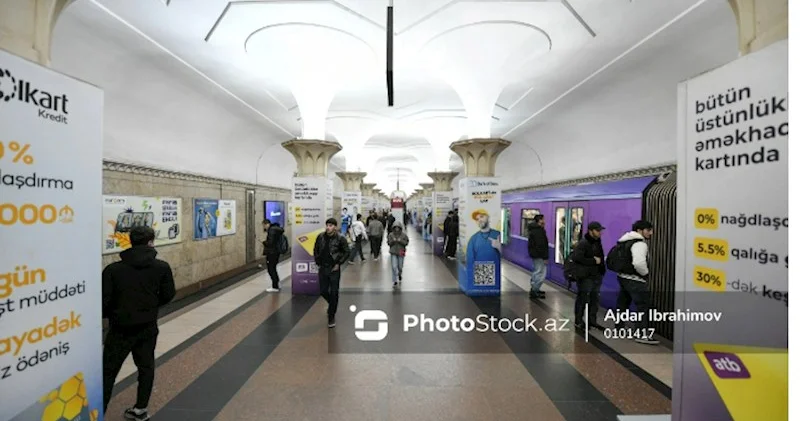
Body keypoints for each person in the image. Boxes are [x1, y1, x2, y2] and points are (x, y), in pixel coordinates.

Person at [102, 226, 176, 420]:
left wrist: (116, 314)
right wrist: (151, 307)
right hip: (147, 327)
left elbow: (103, 302)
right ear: (151, 242)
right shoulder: (161, 267)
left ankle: (97, 412)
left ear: (131, 241)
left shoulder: (113, 270)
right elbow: (169, 295)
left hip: (119, 329)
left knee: (108, 372)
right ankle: (140, 409)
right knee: (146, 368)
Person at [614, 220, 659, 345]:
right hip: (635, 279)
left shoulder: (624, 240)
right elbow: (638, 263)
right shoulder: (639, 244)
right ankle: (641, 334)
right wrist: (645, 273)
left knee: (623, 303)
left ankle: (619, 327)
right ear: (640, 230)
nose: (651, 233)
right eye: (648, 230)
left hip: (623, 277)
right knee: (643, 305)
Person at [313, 218, 350, 328]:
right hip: (323, 268)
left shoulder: (340, 238)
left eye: (330, 225)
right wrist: (317, 261)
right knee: (323, 291)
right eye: (327, 225)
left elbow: (347, 251)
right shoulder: (320, 237)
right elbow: (316, 249)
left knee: (334, 292)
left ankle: (331, 315)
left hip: (334, 269)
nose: (328, 227)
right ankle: (332, 304)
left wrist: (339, 263)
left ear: (335, 227)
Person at [570, 221, 606, 331]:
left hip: (596, 275)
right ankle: (579, 320)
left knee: (594, 299)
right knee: (583, 298)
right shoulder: (583, 243)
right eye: (597, 230)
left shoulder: (597, 242)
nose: (600, 233)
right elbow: (577, 258)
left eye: (600, 230)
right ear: (591, 231)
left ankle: (592, 321)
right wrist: (593, 261)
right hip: (586, 276)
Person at [527, 214, 549, 300]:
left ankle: (535, 289)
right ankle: (534, 291)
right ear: (539, 221)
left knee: (538, 271)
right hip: (539, 255)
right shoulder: (538, 231)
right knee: (540, 272)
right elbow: (541, 245)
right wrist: (545, 257)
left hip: (536, 254)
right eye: (543, 219)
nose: (544, 221)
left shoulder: (535, 230)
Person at [262, 219, 283, 292]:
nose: (264, 227)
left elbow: (270, 243)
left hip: (271, 253)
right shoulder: (276, 229)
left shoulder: (271, 231)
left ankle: (275, 287)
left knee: (271, 269)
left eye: (264, 225)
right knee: (273, 268)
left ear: (266, 224)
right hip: (276, 252)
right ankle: (277, 283)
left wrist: (264, 242)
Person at [387, 220, 409, 287]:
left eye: (398, 227)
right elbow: (388, 243)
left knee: (400, 266)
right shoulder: (390, 235)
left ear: (400, 228)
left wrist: (401, 241)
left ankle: (399, 274)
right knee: (394, 266)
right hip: (393, 252)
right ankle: (394, 280)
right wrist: (393, 241)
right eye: (395, 227)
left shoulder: (403, 235)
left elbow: (406, 243)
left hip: (401, 252)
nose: (396, 229)